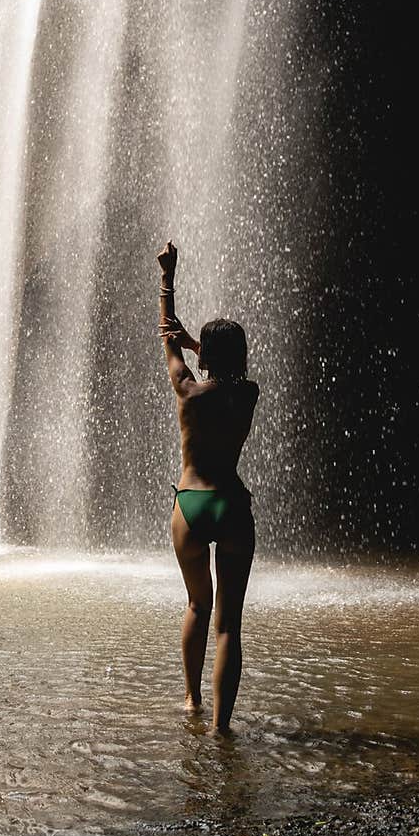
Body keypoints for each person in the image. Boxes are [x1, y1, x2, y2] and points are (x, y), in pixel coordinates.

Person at [157, 239, 259, 734]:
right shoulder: (248, 395)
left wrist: (167, 281)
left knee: (197, 605)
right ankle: (221, 729)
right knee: (228, 625)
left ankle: (192, 702)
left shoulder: (186, 392)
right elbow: (229, 370)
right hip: (233, 505)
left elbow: (167, 341)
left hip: (191, 503)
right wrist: (206, 347)